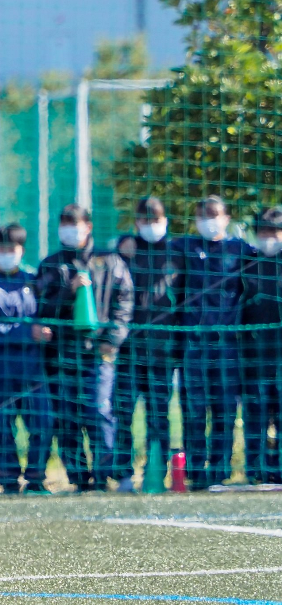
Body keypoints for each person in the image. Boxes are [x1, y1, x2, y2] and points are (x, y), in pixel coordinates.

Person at [33, 204, 134, 491]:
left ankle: (104, 474)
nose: (70, 229)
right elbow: (41, 306)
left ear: (88, 226)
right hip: (61, 355)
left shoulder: (110, 262)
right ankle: (79, 478)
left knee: (98, 410)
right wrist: (69, 290)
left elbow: (124, 304)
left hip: (98, 354)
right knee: (67, 417)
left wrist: (110, 341)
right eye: (64, 223)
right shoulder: (51, 265)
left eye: (75, 223)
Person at [0, 223, 50, 493]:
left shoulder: (33, 281)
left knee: (42, 422)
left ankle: (36, 477)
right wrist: (28, 332)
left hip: (33, 369)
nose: (6, 253)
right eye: (0, 248)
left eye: (11, 248)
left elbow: (47, 315)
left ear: (21, 250)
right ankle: (7, 479)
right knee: (2, 427)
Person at [175, 195, 248, 488]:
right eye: (202, 214)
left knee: (225, 409)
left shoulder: (241, 250)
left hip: (227, 346)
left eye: (214, 214)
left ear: (226, 217)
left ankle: (220, 469)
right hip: (193, 344)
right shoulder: (185, 248)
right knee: (194, 409)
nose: (208, 219)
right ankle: (195, 470)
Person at [113, 197, 182, 491]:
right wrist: (121, 244)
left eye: (156, 219)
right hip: (129, 350)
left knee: (158, 415)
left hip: (163, 351)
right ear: (137, 222)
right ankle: (123, 474)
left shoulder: (177, 252)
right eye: (145, 220)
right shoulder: (125, 251)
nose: (150, 225)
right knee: (123, 411)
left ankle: (156, 473)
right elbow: (103, 257)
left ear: (165, 219)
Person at [242, 207, 282, 484]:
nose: (268, 236)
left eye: (273, 231)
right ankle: (255, 470)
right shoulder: (248, 262)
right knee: (255, 414)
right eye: (263, 231)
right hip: (253, 356)